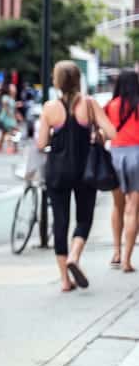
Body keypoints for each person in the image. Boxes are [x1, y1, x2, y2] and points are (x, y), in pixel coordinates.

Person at [38, 60, 117, 291]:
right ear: (78, 80)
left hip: (57, 172)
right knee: (84, 218)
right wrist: (98, 133)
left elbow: (41, 142)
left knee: (60, 222)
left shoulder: (49, 108)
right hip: (85, 170)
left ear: (57, 81)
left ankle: (64, 280)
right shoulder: (90, 104)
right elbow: (112, 131)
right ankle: (74, 255)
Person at [106, 70, 139, 271]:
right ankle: (127, 260)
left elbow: (104, 131)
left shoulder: (111, 105)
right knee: (133, 209)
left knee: (117, 206)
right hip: (137, 155)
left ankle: (116, 252)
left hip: (115, 156)